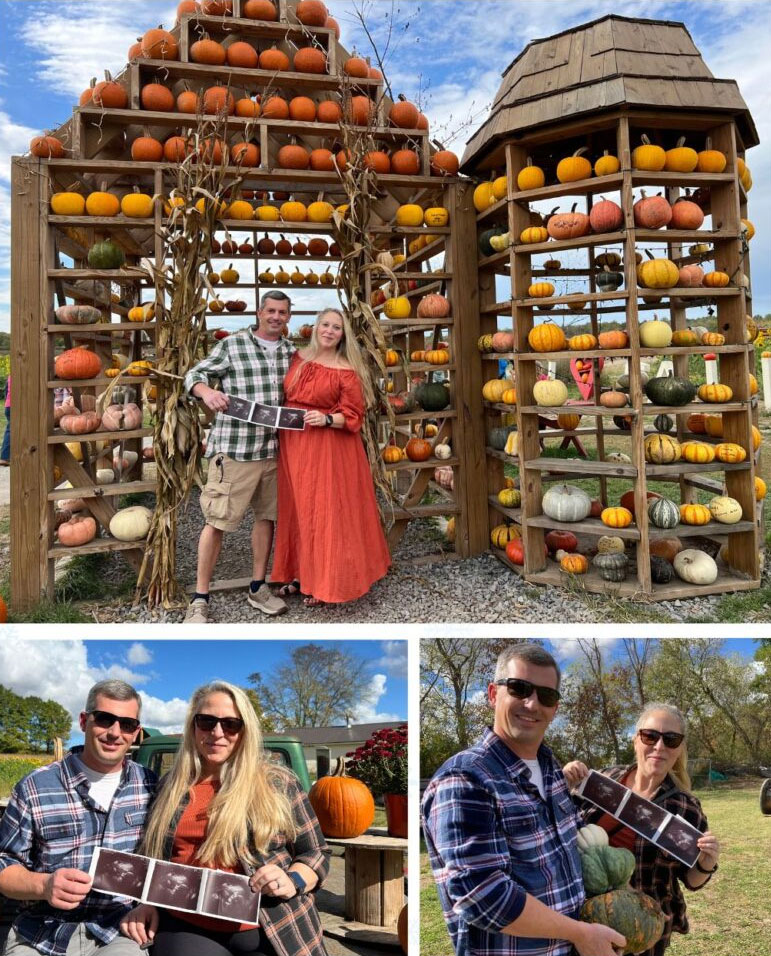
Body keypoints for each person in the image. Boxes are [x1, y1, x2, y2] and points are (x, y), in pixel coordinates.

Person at [421, 644, 625, 956]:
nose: (532, 703)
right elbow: (482, 895)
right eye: (519, 688)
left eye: (546, 696)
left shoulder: (552, 771)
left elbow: (574, 854)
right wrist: (581, 933)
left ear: (555, 709)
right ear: (493, 694)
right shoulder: (466, 779)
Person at [119, 681, 330, 956]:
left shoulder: (277, 782)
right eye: (206, 722)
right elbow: (151, 855)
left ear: (245, 730)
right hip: (187, 925)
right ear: (193, 727)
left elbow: (317, 851)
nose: (217, 733)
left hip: (270, 922)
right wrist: (146, 901)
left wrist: (293, 879)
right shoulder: (170, 785)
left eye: (231, 724)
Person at [0, 680, 156, 956]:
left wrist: (150, 903)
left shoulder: (151, 786)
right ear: (84, 721)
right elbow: (4, 865)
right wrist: (44, 885)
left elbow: (165, 860)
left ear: (137, 733)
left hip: (117, 930)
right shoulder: (35, 787)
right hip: (40, 932)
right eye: (105, 719)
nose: (115, 732)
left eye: (127, 724)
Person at [563, 702, 719, 956]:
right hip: (582, 922)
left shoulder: (684, 807)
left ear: (679, 749)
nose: (659, 747)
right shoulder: (602, 781)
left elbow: (691, 881)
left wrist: (706, 862)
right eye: (650, 736)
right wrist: (564, 782)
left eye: (671, 739)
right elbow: (559, 827)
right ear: (636, 740)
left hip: (642, 931)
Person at [183, 293, 296, 623]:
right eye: (271, 311)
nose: (276, 317)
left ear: (289, 317)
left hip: (274, 450)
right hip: (235, 449)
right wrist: (207, 393)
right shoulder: (232, 345)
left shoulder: (292, 352)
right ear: (260, 312)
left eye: (283, 312)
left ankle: (258, 586)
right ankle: (200, 598)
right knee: (217, 520)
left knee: (266, 518)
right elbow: (194, 375)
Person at [271, 308, 391, 607]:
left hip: (329, 448)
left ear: (342, 335)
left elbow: (354, 415)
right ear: (315, 327)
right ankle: (301, 575)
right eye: (325, 324)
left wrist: (325, 419)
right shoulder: (297, 358)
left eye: (336, 328)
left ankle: (328, 583)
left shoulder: (345, 369)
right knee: (300, 510)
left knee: (327, 514)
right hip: (295, 444)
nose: (329, 331)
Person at [1, 375, 10, 466]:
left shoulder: (10, 376)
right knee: (11, 430)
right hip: (14, 405)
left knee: (10, 429)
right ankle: (4, 457)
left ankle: (6, 456)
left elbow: (6, 391)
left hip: (8, 406)